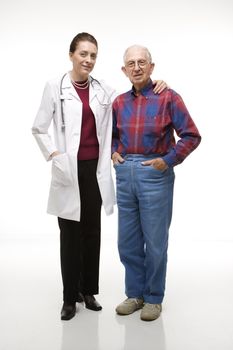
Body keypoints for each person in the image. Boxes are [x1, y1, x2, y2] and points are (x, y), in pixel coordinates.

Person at [32, 33, 168, 321]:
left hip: (95, 168)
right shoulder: (54, 87)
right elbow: (39, 128)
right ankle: (70, 298)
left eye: (93, 55)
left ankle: (88, 291)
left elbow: (132, 97)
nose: (88, 60)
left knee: (92, 233)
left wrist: (159, 84)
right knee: (70, 234)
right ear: (71, 55)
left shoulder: (104, 90)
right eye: (83, 54)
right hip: (69, 169)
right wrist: (54, 155)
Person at [112, 45, 201, 321]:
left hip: (155, 173)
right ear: (124, 70)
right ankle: (134, 294)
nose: (136, 67)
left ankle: (153, 297)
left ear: (151, 67)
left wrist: (168, 160)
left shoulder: (168, 98)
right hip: (126, 173)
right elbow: (113, 134)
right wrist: (115, 152)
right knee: (127, 241)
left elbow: (191, 135)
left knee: (155, 240)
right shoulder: (119, 103)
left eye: (142, 62)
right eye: (131, 63)